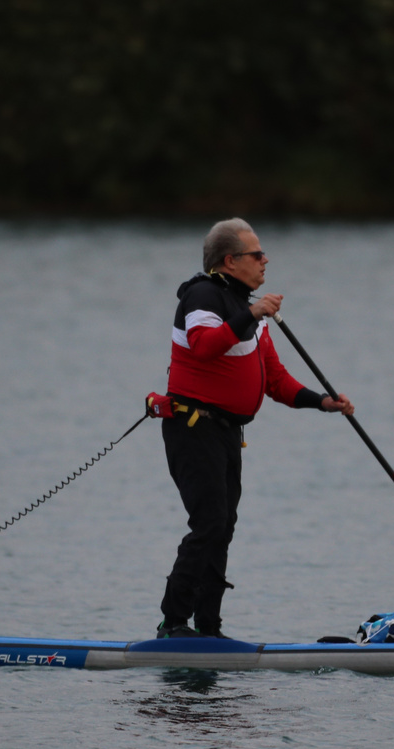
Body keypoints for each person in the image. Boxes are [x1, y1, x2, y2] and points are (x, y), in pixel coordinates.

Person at [156, 218, 355, 639]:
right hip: (193, 427)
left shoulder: (250, 309)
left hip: (228, 433)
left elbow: (276, 381)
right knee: (209, 522)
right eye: (256, 254)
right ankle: (173, 623)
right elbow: (205, 347)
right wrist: (252, 312)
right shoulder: (202, 295)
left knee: (224, 524)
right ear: (230, 260)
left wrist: (322, 401)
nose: (266, 261)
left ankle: (208, 627)